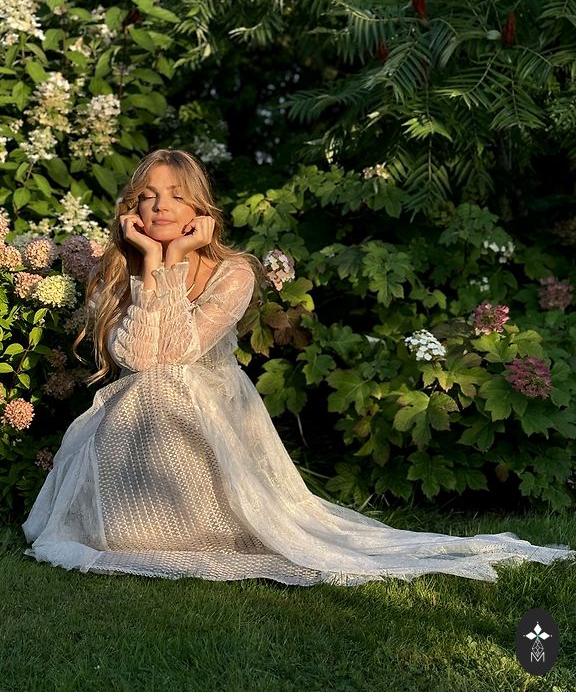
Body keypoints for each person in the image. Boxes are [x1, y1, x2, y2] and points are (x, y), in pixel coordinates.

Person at [21, 149, 575, 586]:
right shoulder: (120, 275)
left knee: (167, 383)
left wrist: (171, 261)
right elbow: (142, 360)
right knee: (150, 386)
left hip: (210, 415)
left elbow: (181, 352)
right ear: (132, 212)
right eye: (147, 197)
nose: (160, 207)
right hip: (137, 429)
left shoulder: (233, 272)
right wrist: (152, 263)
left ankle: (193, 526)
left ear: (199, 211)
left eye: (176, 196)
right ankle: (136, 527)